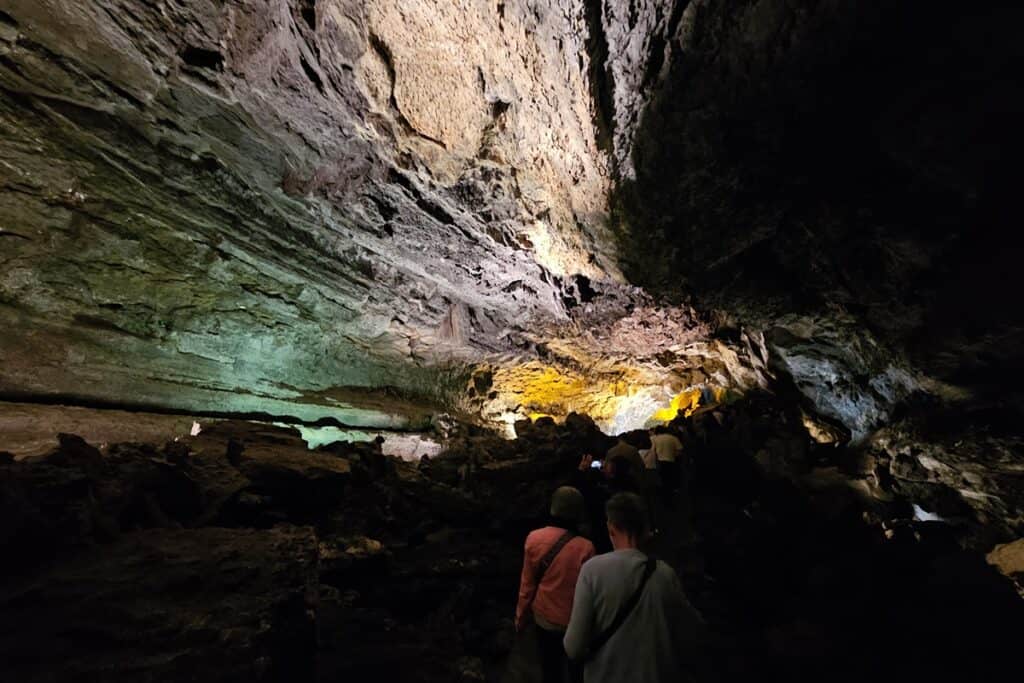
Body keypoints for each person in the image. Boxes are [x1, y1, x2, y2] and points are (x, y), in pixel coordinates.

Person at [564, 492, 702, 683]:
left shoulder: (592, 571)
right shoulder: (664, 574)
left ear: (611, 527)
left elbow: (573, 647)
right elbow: (691, 631)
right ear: (645, 529)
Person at [516, 486, 597, 683]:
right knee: (576, 671)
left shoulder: (534, 538)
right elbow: (588, 592)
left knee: (550, 669)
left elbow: (527, 586)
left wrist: (521, 616)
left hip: (544, 618)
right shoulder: (586, 548)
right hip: (574, 622)